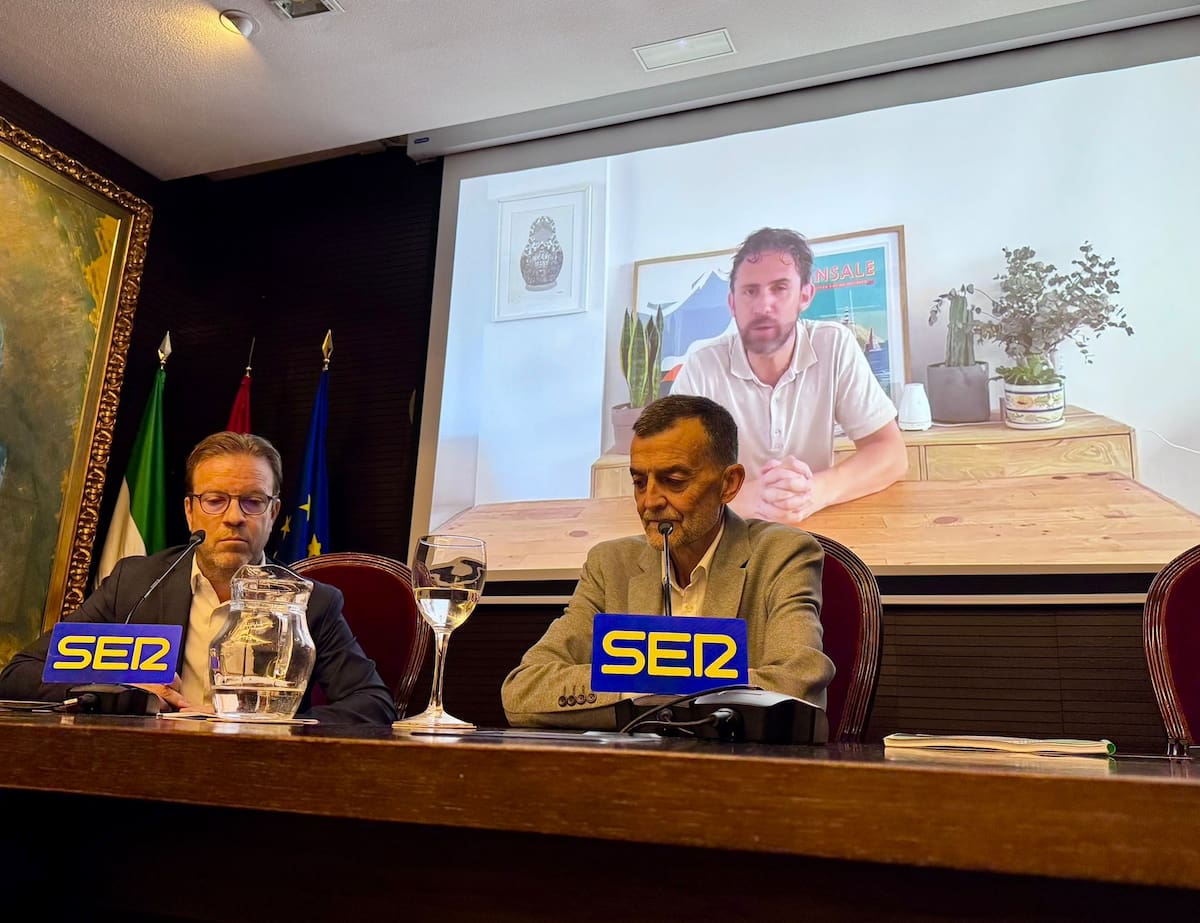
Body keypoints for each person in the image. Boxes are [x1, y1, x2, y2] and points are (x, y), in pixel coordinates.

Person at [0, 432, 395, 725]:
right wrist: (118, 690)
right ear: (190, 511)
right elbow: (19, 674)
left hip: (255, 780)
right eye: (215, 499)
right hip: (139, 773)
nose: (234, 517)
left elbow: (373, 702)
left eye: (253, 501)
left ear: (274, 514)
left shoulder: (309, 601)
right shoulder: (136, 583)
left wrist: (264, 723)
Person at [501, 395, 834, 730]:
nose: (650, 502)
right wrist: (650, 689)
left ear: (729, 484)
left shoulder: (782, 553)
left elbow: (796, 682)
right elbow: (524, 691)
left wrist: (636, 685)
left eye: (674, 481)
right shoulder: (610, 564)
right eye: (639, 482)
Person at [671, 227, 908, 523]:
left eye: (780, 288)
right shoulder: (701, 368)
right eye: (750, 291)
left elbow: (891, 454)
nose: (763, 306)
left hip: (816, 533)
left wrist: (816, 491)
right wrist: (746, 497)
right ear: (732, 303)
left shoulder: (834, 345)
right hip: (724, 537)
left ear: (805, 296)